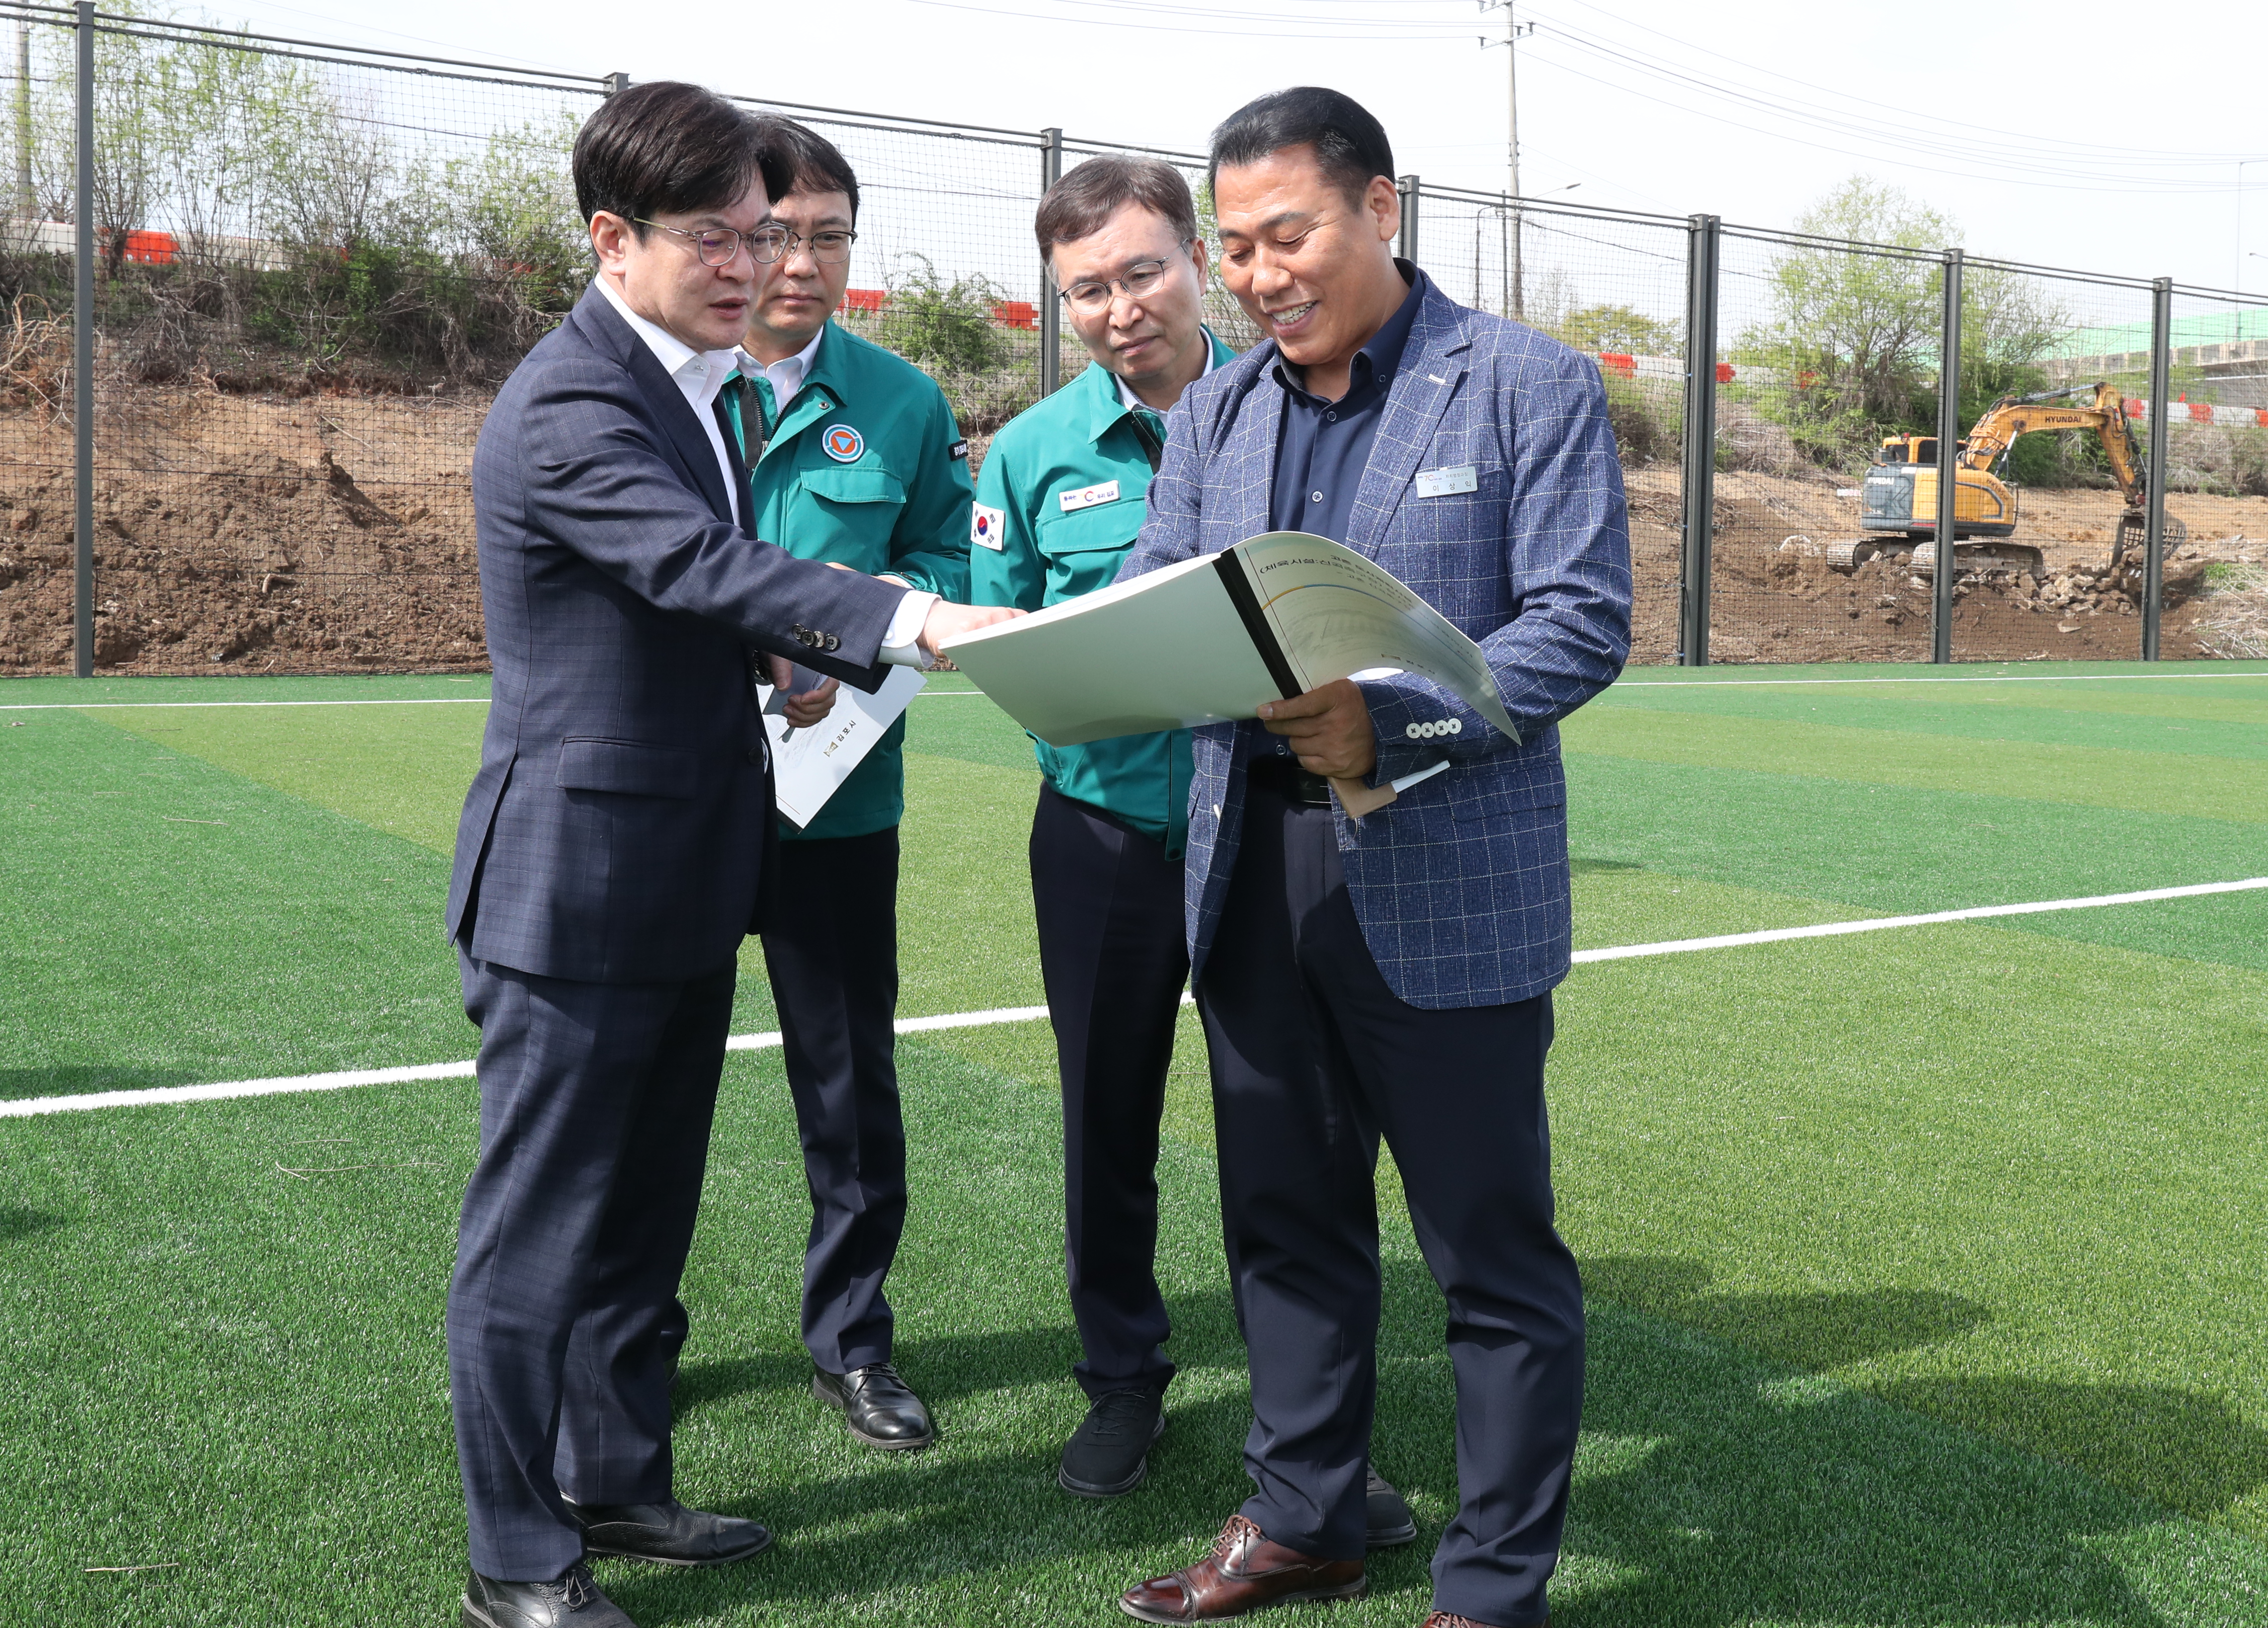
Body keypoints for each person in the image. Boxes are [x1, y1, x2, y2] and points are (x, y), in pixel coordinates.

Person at [442, 81, 1015, 1628]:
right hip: (576, 887)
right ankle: (519, 1560)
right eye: (715, 237)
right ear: (611, 238)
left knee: (641, 1214)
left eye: (764, 235)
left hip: (682, 870)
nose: (753, 265)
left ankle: (615, 1480)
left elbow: (671, 599)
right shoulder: (575, 399)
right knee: (540, 1231)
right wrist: (911, 618)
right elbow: (693, 559)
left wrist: (773, 657)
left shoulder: (688, 382)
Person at [1108, 89, 1630, 1628]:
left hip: (1442, 875)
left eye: (1290, 235)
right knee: (1284, 1224)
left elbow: (1579, 621)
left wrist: (1389, 724)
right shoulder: (1216, 413)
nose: (1260, 276)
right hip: (1250, 872)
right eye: (1237, 248)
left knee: (1490, 1255)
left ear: (1381, 209)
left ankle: (1491, 1587)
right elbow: (1159, 588)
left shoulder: (1527, 383)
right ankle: (1306, 1518)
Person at [971, 155, 1415, 1544]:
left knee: (1288, 1132)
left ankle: (1312, 1437)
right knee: (1106, 1119)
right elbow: (1006, 639)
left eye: (1142, 271)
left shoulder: (1294, 408)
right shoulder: (1030, 453)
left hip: (1272, 831)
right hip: (1105, 834)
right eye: (1085, 290)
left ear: (1196, 264)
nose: (1120, 308)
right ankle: (1122, 1378)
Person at [728, 118, 974, 1451]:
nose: (803, 263)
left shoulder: (901, 401)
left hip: (838, 798)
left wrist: (861, 633)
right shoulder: (667, 386)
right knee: (647, 1087)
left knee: (848, 1086)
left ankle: (854, 1345)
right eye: (776, 235)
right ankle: (627, 1343)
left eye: (830, 237)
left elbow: (954, 569)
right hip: (684, 801)